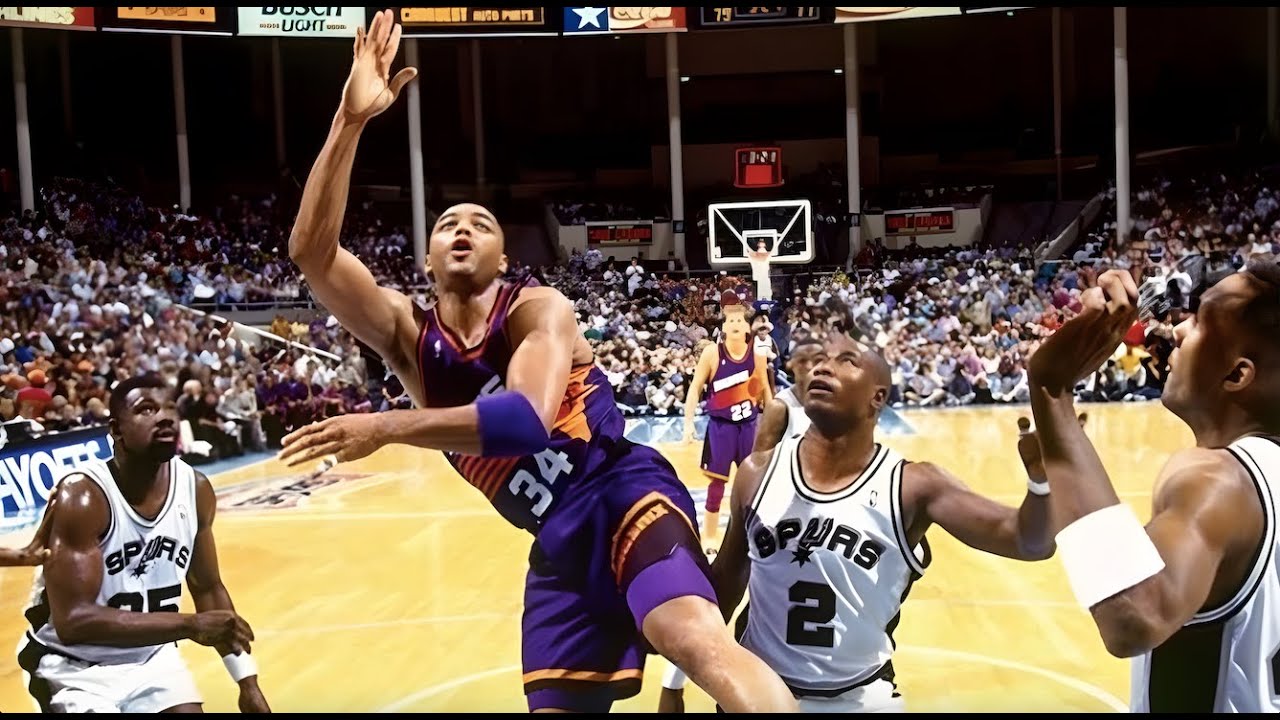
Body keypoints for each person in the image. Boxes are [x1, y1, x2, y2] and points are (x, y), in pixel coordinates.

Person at [279, 10, 796, 713]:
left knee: (693, 638)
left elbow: (523, 422)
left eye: (480, 223)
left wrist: (387, 427)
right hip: (557, 540)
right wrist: (348, 121)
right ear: (427, 257)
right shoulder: (408, 336)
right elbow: (312, 252)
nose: (462, 228)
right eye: (446, 224)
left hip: (622, 496)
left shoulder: (537, 308)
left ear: (504, 256)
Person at [665, 329, 1057, 712]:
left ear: (877, 398)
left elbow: (1029, 542)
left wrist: (1042, 481)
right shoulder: (757, 471)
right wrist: (675, 681)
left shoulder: (912, 486)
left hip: (861, 696)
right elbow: (727, 586)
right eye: (818, 362)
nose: (822, 369)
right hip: (759, 690)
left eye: (846, 362)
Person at [1026, 263, 1280, 712]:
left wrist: (1052, 392)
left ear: (1237, 375)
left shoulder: (1217, 480)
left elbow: (1134, 615)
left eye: (1200, 321)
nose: (1179, 330)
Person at [19, 374, 270, 713]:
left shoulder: (194, 489)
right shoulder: (85, 497)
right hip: (74, 666)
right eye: (147, 409)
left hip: (152, 656)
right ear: (116, 429)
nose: (165, 416)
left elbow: (208, 588)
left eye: (169, 407)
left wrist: (247, 682)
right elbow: (74, 621)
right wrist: (188, 624)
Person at [682, 294, 774, 553]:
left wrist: (774, 425)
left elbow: (766, 391)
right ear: (723, 328)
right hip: (721, 428)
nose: (735, 322)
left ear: (747, 327)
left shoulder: (757, 355)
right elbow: (695, 389)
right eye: (730, 319)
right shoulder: (712, 353)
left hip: (749, 426)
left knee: (754, 484)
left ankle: (755, 532)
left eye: (739, 319)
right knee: (716, 484)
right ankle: (710, 537)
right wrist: (688, 423)